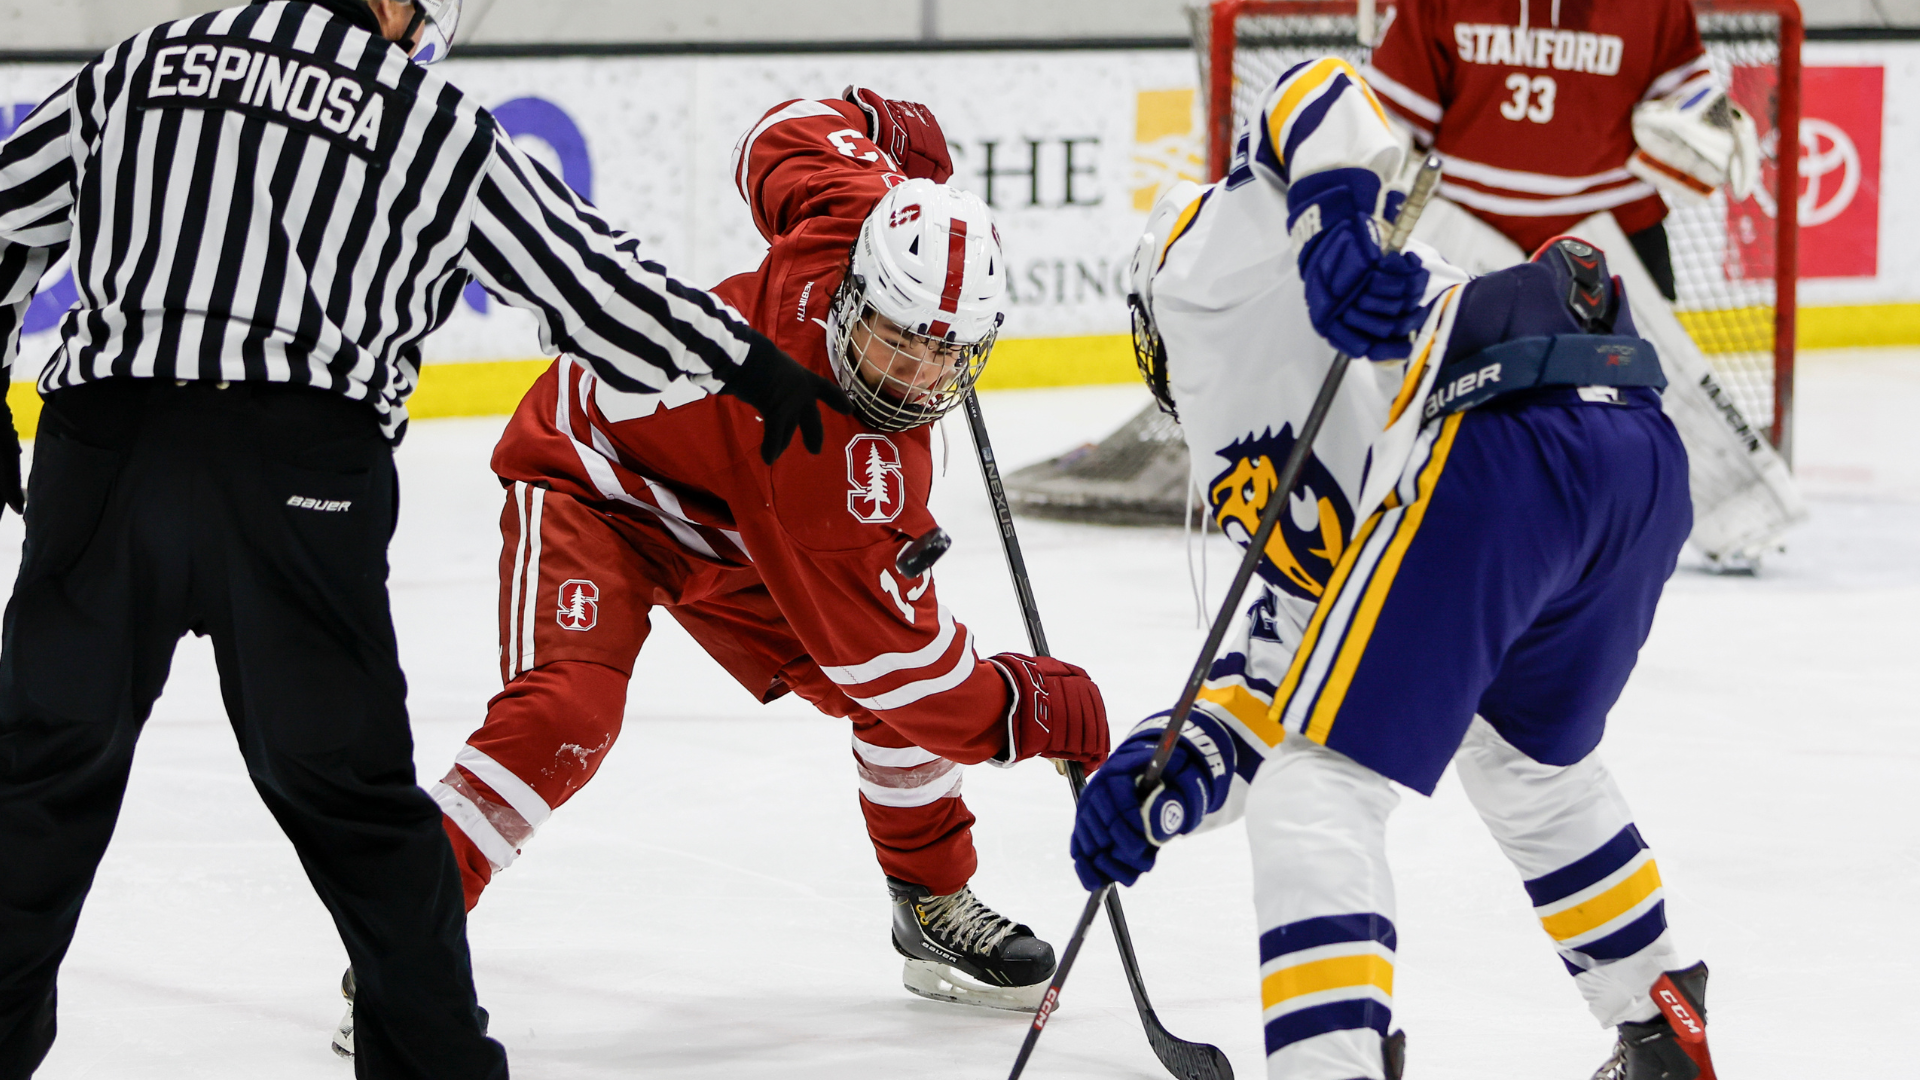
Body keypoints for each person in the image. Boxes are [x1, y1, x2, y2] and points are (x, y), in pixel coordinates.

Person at [0, 1, 849, 1076]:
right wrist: (755, 367)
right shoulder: (423, 115)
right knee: (354, 805)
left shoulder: (143, 61)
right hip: (297, 479)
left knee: (37, 782)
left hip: (105, 459)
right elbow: (589, 279)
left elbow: (5, 213)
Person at [329, 86, 1112, 1055]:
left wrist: (878, 131)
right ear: (860, 289)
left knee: (882, 686)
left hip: (743, 523)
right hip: (601, 479)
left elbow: (780, 132)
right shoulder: (847, 463)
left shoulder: (853, 216)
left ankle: (930, 899)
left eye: (943, 351)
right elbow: (900, 670)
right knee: (566, 713)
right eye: (896, 335)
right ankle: (402, 949)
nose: (912, 375)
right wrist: (1020, 709)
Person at [1073, 58, 1715, 1080]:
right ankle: (1659, 1026)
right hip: (1628, 451)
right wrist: (1164, 774)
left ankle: (1333, 1068)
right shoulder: (1268, 474)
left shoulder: (1193, 275)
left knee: (1313, 793)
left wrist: (1331, 222)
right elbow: (1283, 673)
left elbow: (1313, 88)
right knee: (1523, 763)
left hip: (1497, 431)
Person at [1360, 0, 1801, 569]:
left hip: (1606, 227)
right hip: (1467, 224)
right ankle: (1388, 501)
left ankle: (1734, 515)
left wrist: (1704, 125)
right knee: (1418, 394)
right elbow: (1393, 126)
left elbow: (1688, 96)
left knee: (1643, 400)